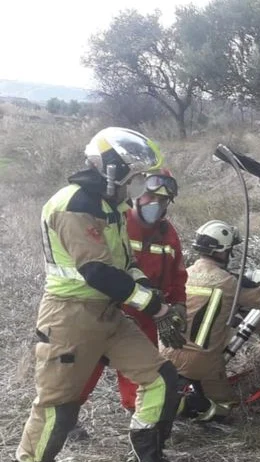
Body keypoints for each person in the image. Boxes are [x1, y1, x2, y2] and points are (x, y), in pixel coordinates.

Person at [12, 127, 199, 462]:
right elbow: (97, 271)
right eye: (131, 178)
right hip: (71, 317)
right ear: (111, 168)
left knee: (161, 379)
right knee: (57, 406)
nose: (134, 189)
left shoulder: (108, 207)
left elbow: (125, 265)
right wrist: (156, 307)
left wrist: (152, 291)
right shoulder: (74, 204)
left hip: (109, 314)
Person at [163, 220, 260, 423]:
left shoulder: (185, 274)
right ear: (222, 251)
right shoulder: (230, 283)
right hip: (202, 361)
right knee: (227, 408)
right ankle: (188, 405)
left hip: (165, 353)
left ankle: (182, 395)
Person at [78, 170, 187, 413]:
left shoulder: (168, 235)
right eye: (150, 196)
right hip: (108, 308)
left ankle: (140, 415)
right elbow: (97, 267)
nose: (155, 204)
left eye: (162, 200)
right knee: (86, 365)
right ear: (138, 192)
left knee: (142, 370)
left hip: (149, 312)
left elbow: (178, 274)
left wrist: (178, 304)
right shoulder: (118, 221)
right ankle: (68, 414)